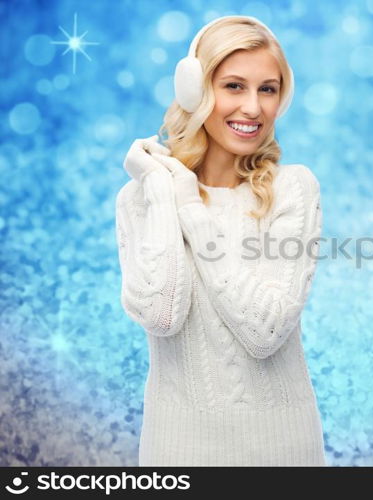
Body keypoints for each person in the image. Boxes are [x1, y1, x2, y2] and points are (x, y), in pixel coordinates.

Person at [114, 15, 326, 466]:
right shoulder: (141, 198)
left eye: (267, 89)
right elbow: (161, 312)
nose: (252, 107)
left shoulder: (292, 189)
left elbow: (265, 329)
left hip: (282, 449)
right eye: (234, 86)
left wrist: (192, 209)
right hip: (177, 449)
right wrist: (160, 190)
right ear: (196, 90)